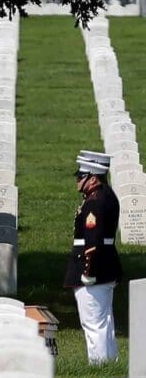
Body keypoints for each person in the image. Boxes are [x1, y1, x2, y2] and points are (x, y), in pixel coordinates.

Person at [63, 151, 122, 364]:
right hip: (106, 264)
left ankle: (98, 364)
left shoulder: (94, 202)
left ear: (93, 177)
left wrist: (89, 271)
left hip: (94, 268)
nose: (78, 180)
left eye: (81, 176)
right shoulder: (106, 195)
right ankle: (109, 362)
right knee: (104, 320)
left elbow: (93, 240)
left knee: (93, 321)